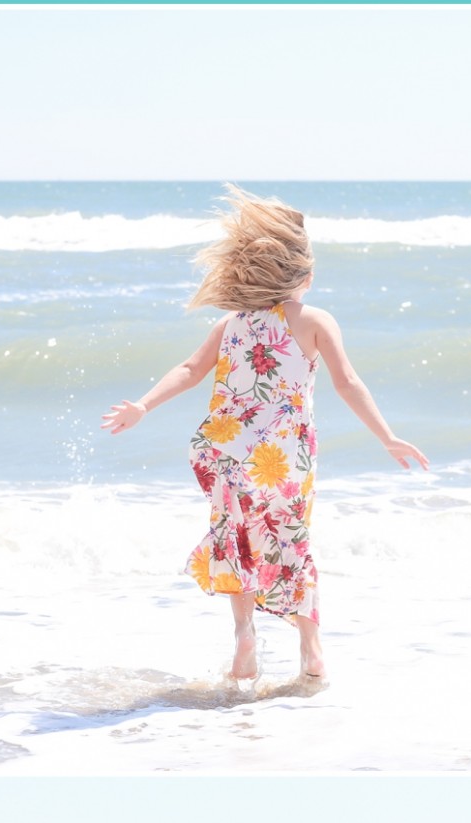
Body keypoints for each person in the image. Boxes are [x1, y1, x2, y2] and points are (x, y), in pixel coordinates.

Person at [101, 187, 427, 682]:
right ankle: (311, 650)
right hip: (287, 458)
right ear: (307, 276)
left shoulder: (233, 324)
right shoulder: (316, 321)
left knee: (236, 540)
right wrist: (387, 436)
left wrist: (143, 405)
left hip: (227, 450)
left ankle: (243, 636)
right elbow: (347, 382)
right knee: (292, 540)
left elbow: (190, 369)